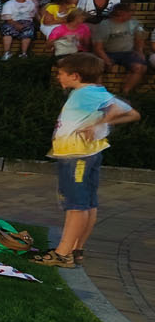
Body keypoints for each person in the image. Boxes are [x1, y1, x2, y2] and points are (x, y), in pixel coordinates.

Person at [33, 53, 141, 267]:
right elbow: (133, 114)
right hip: (87, 154)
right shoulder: (95, 91)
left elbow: (121, 110)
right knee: (88, 204)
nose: (58, 77)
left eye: (61, 74)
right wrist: (101, 122)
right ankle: (76, 249)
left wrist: (101, 122)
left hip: (77, 156)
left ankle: (63, 253)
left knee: (76, 206)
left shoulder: (85, 93)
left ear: (75, 76)